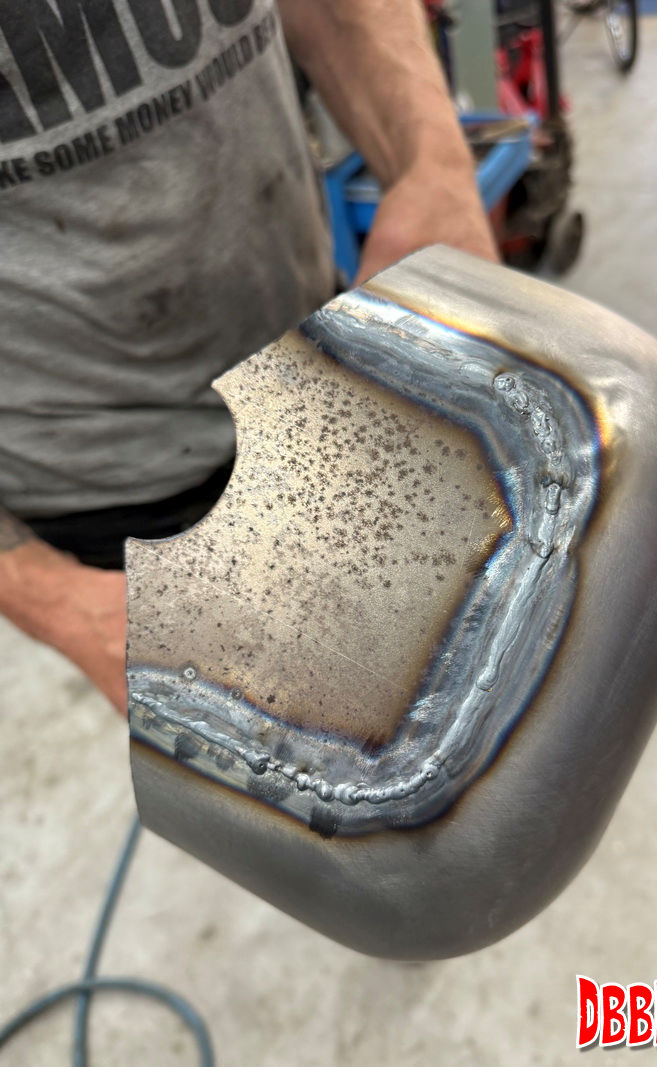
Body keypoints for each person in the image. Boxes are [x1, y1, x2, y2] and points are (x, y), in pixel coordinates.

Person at [0, 0, 498, 715]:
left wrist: (433, 165)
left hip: (319, 365)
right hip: (106, 486)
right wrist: (54, 596)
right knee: (289, 756)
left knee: (422, 683)